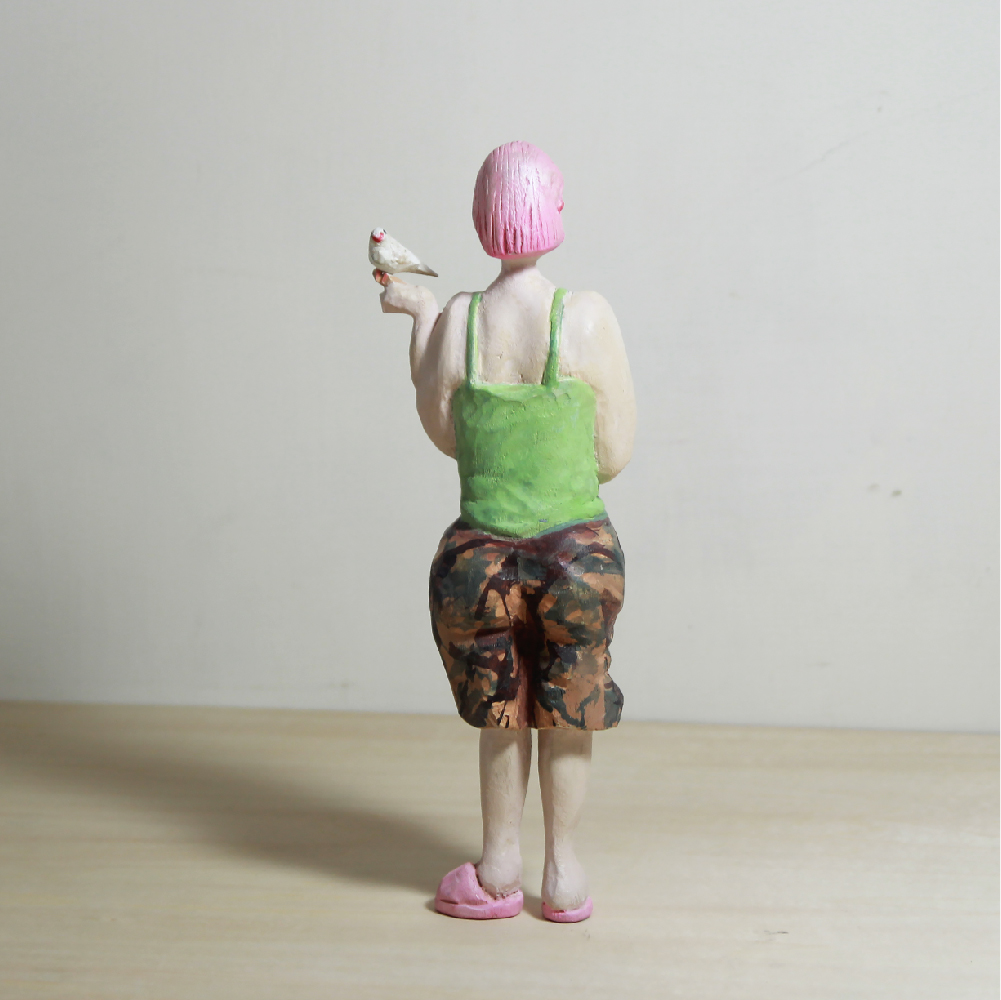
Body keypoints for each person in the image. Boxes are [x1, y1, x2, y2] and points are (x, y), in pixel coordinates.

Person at [373, 141, 635, 922]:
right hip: (577, 556)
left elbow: (445, 433)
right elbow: (614, 455)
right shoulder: (585, 318)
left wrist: (421, 319)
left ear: (479, 218)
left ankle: (497, 869)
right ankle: (564, 876)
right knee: (567, 713)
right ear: (554, 211)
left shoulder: (460, 318)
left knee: (502, 712)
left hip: (478, 560)